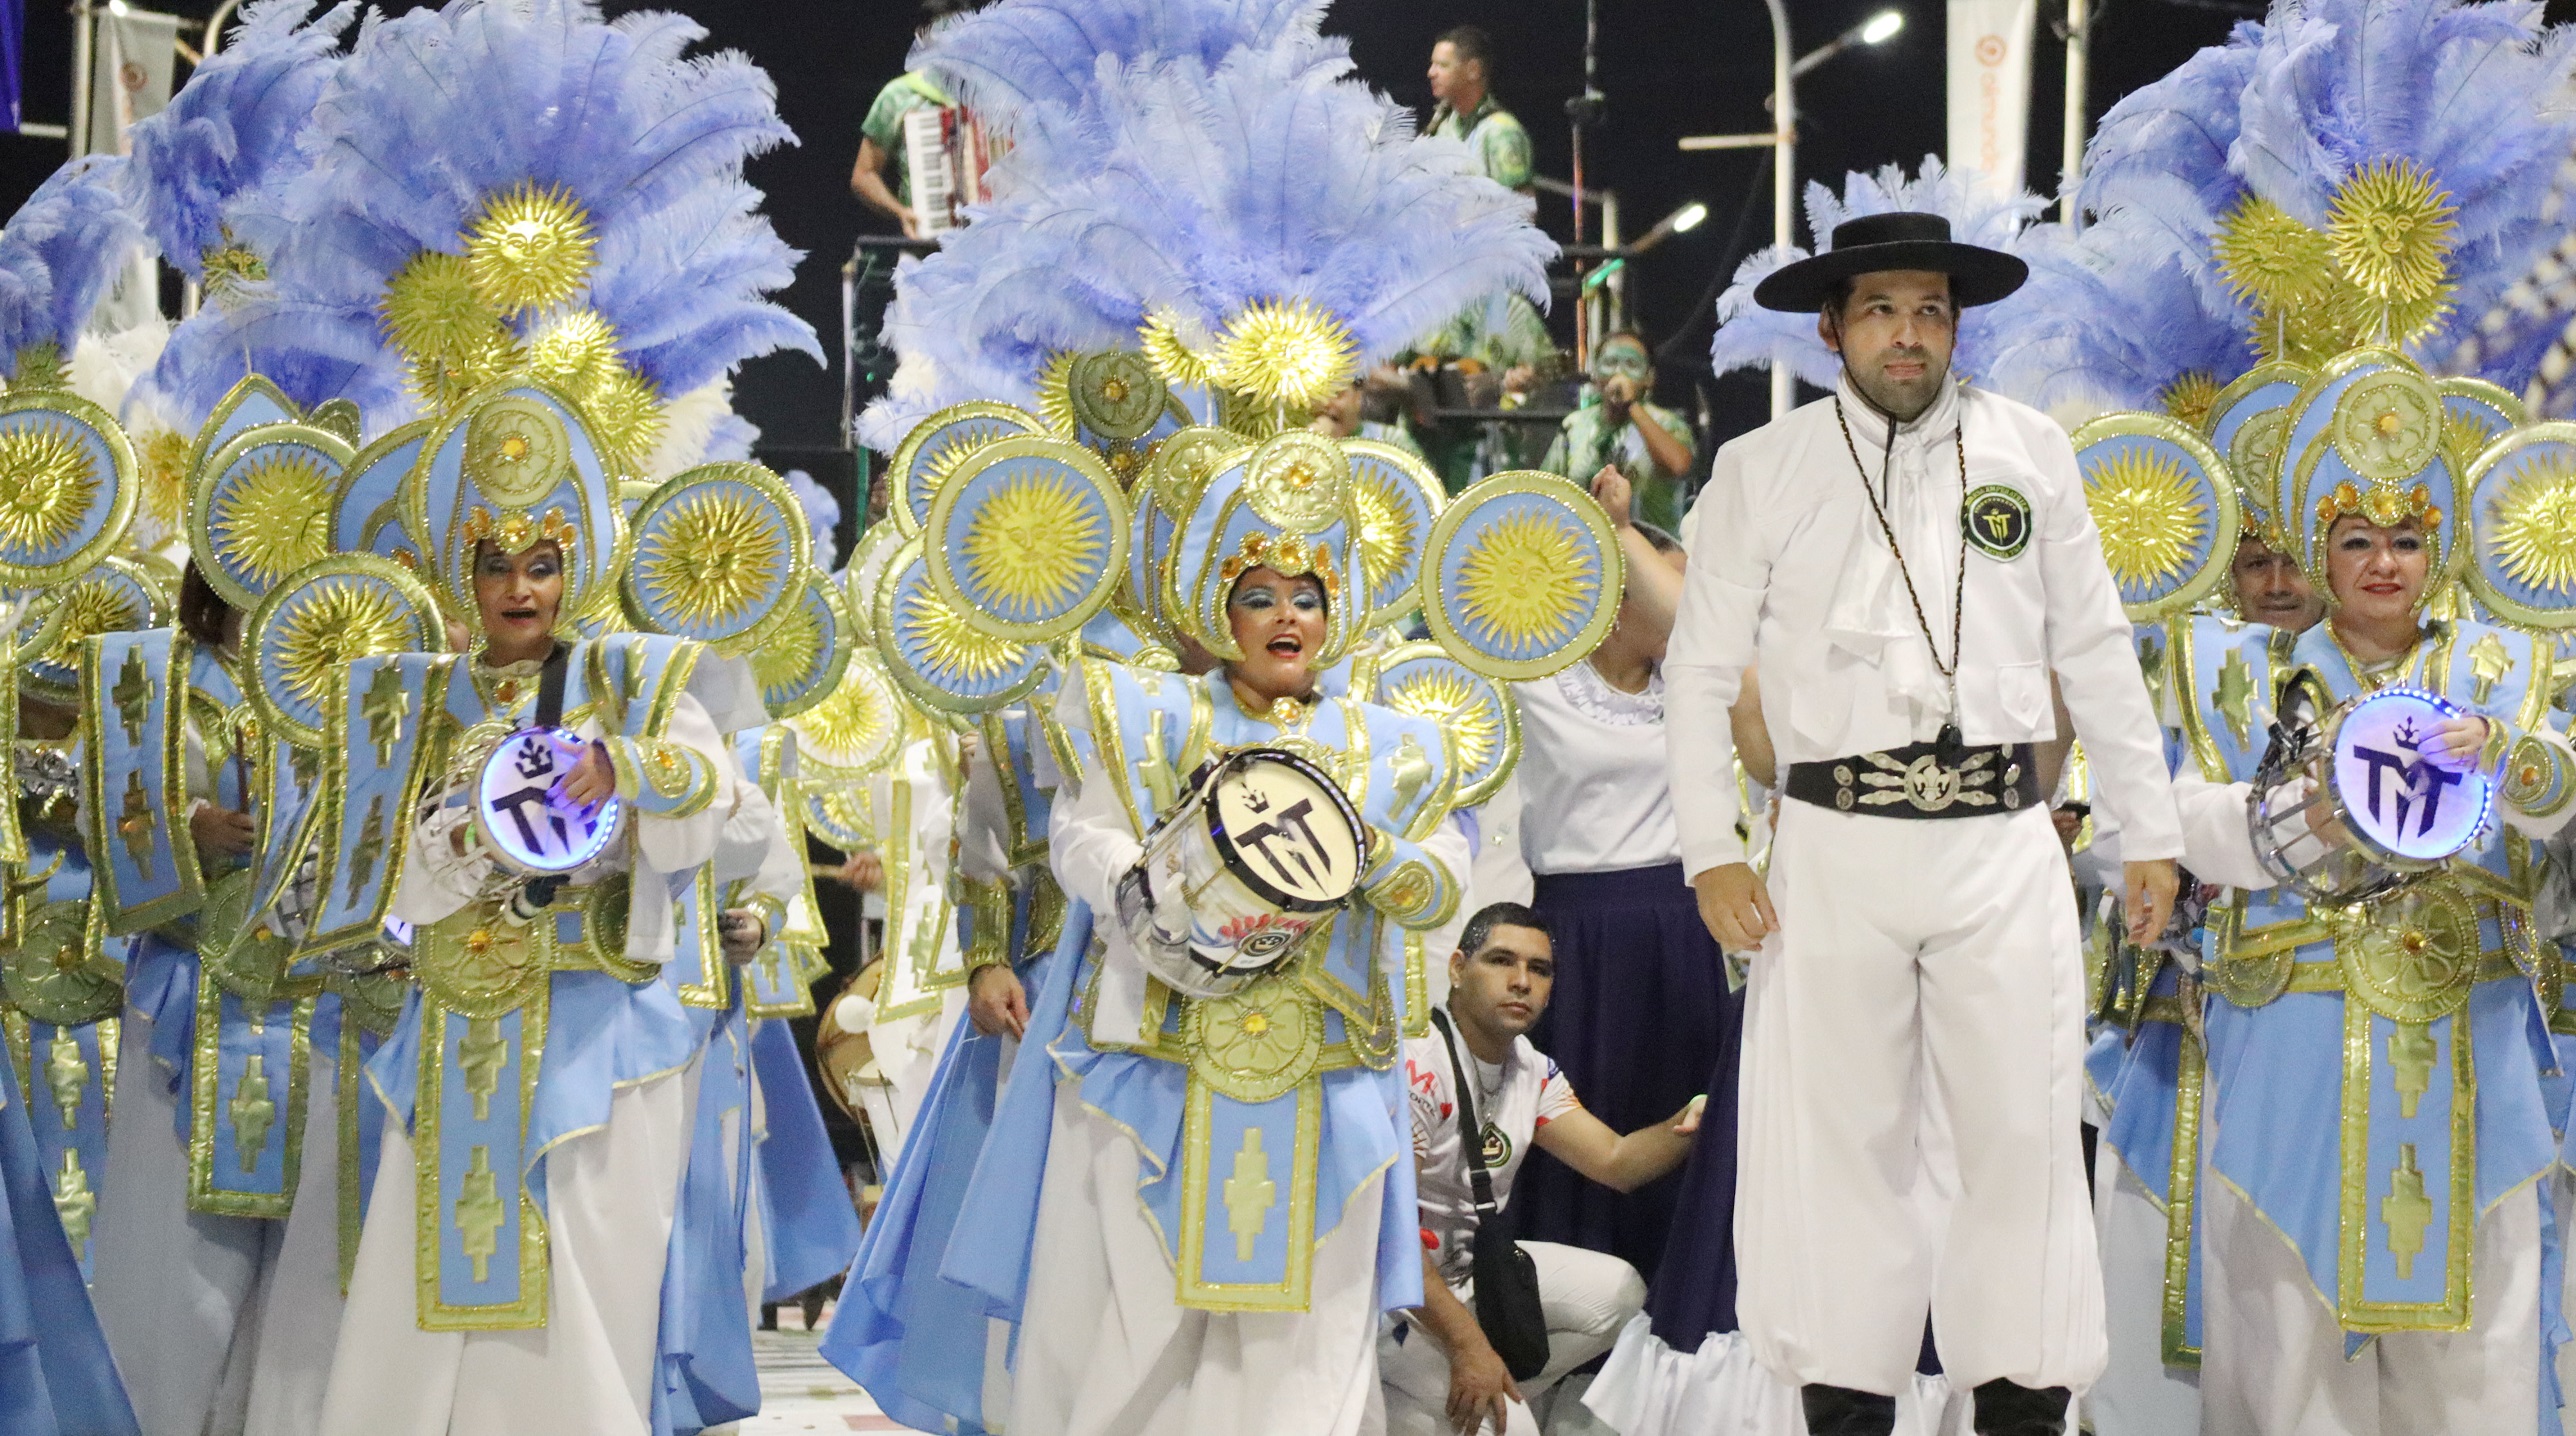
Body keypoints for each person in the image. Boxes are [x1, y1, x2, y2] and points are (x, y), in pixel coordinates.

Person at [1665, 211, 2183, 1436]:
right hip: (1830, 842)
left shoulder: (2029, 449)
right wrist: (1708, 850)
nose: (1910, 333)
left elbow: (2096, 650)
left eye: (1931, 308)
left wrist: (2142, 826)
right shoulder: (1762, 467)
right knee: (1837, 1140)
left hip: (2002, 838)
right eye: (1884, 308)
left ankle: (2021, 1408)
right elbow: (1694, 676)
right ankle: (1845, 1412)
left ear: (1954, 323)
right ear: (1833, 325)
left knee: (2020, 1129)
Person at [1011, 463, 1472, 1436]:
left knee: (1310, 1348)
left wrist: (1367, 852)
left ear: (1336, 607)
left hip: (1323, 1067)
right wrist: (1149, 886)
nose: (1283, 615)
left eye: (1306, 596)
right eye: (1256, 595)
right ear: (1216, 609)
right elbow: (1081, 837)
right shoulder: (1143, 717)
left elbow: (1439, 881)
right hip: (1164, 1055)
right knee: (1132, 1331)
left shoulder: (1396, 747)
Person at [2163, 355, 2576, 1434]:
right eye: (2354, 539)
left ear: (2434, 545)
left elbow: (2559, 805)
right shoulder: (2236, 675)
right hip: (2291, 1030)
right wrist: (2299, 810)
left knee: (2472, 1357)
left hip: (2468, 1035)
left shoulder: (2505, 669)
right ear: (2315, 545)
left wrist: (2502, 754)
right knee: (2285, 1350)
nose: (2380, 562)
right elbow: (2178, 818)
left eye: (2401, 537)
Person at [317, 392, 739, 1436]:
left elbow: (712, 791)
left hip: (591, 1023)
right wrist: (465, 833)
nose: (519, 587)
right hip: (457, 1015)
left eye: (541, 562)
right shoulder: (412, 697)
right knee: (432, 1253)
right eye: (495, 564)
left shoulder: (627, 677)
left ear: (576, 566)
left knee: (584, 1265)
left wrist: (621, 766)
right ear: (461, 574)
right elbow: (384, 871)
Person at [1506, 465, 1725, 1295]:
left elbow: (1710, 632)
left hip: (1681, 923)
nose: (1676, 599)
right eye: (1655, 583)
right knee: (1584, 1120)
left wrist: (1633, 531)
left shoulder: (1702, 689)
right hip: (1576, 928)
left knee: (1686, 1115)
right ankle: (1571, 1314)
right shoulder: (1531, 682)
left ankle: (1681, 1307)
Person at [1382, 903, 1699, 1436]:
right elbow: (1387, 1237)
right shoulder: (1416, 1067)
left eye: (1540, 969)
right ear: (1457, 968)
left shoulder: (1530, 1068)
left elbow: (1616, 1162)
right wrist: (1468, 1346)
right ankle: (1433, 1397)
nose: (1521, 982)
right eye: (1501, 961)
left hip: (1468, 1277)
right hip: (1394, 1300)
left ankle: (1452, 1407)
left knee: (1618, 1295)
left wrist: (1697, 1118)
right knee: (1517, 1429)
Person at [1541, 333, 1697, 535]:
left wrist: (1631, 406)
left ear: (1648, 378)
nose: (1619, 373)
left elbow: (1678, 466)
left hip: (1653, 551)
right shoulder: (1575, 425)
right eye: (1610, 363)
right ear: (1596, 374)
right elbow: (1546, 489)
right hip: (1586, 552)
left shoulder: (1668, 424)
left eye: (1631, 365)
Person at [854, 0, 986, 236]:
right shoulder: (898, 97)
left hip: (987, 245)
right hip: (924, 247)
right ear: (923, 37)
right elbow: (864, 175)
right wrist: (901, 212)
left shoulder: (992, 97)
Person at [1425, 26, 1531, 195]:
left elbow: (1522, 212)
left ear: (1473, 70)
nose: (1431, 73)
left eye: (1442, 65)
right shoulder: (1445, 126)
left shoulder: (1500, 131)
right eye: (1432, 64)